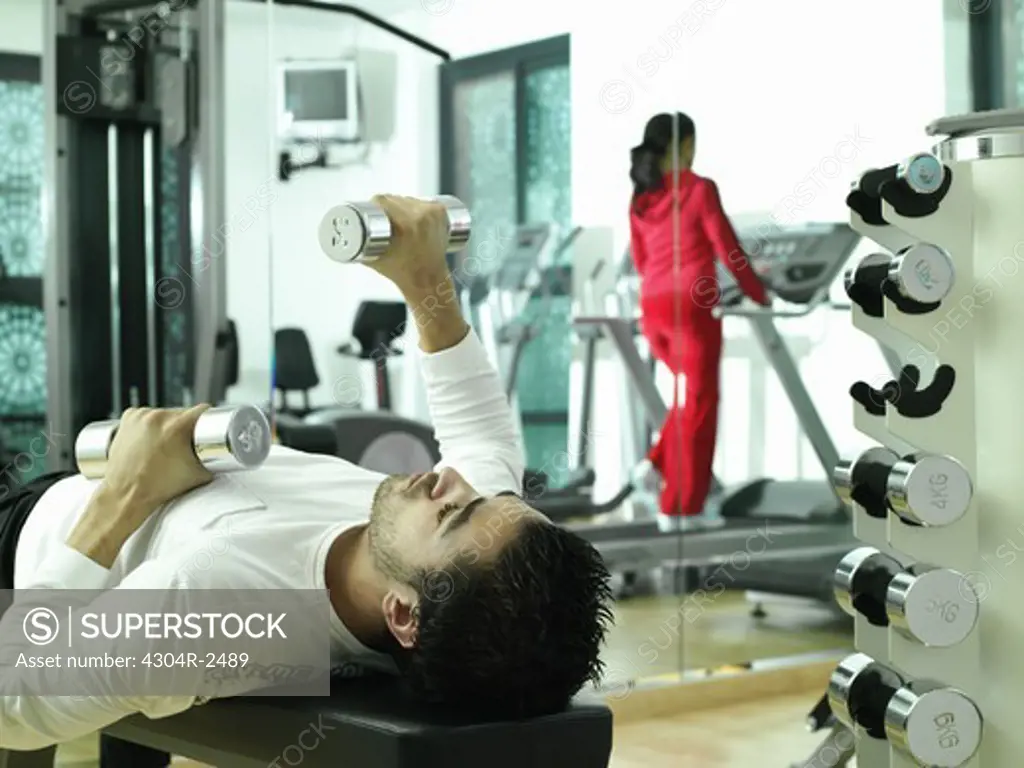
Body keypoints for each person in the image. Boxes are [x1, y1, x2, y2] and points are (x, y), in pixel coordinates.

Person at [0, 195, 614, 756]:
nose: (447, 480)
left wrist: (125, 494)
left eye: (454, 513)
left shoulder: (234, 611)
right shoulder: (457, 542)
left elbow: (12, 704)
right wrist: (424, 274)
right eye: (485, 494)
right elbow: (481, 435)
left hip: (24, 554)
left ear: (404, 615)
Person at [629, 113, 770, 525]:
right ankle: (682, 508)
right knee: (702, 404)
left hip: (653, 306)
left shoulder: (641, 197)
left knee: (686, 400)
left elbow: (641, 260)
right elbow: (728, 249)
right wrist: (759, 293)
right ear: (687, 144)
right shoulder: (700, 188)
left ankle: (656, 465)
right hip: (693, 305)